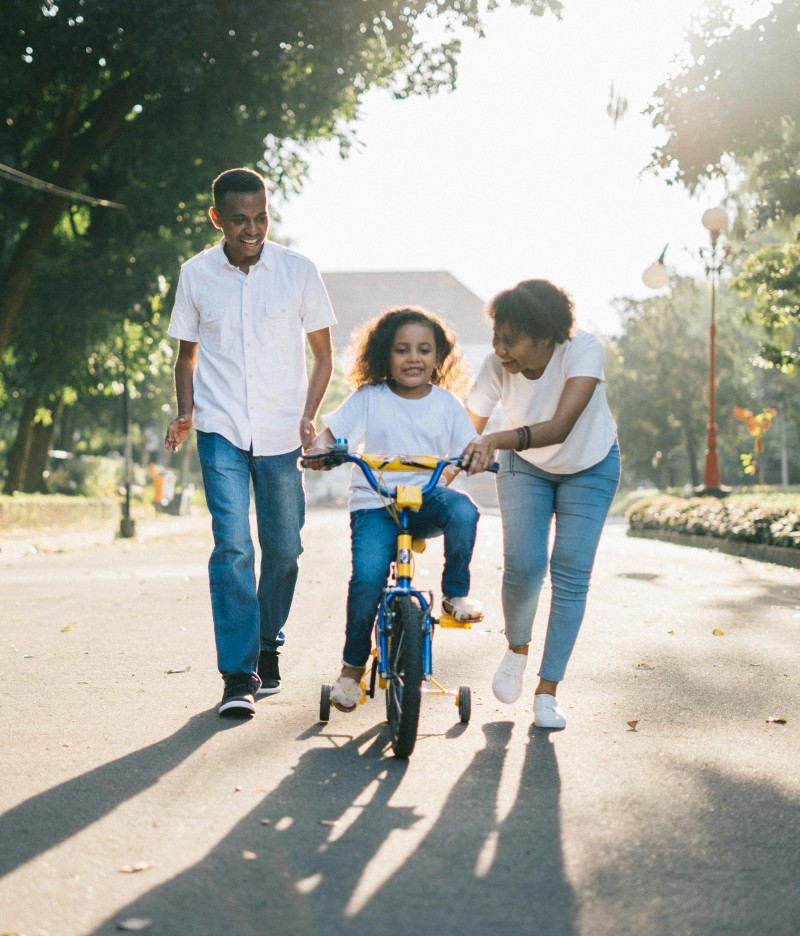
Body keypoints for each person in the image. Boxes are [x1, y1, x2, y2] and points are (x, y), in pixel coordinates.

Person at [164, 167, 336, 718]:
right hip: (220, 431)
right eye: (240, 220)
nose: (253, 229)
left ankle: (267, 643)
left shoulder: (298, 271)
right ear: (217, 219)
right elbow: (186, 355)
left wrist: (309, 416)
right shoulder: (195, 275)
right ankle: (238, 674)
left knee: (285, 549)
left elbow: (323, 355)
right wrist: (186, 412)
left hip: (283, 432)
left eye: (261, 217)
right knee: (234, 546)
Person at [305, 306, 484, 712]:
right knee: (368, 580)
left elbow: (466, 449)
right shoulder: (369, 398)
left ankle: (455, 595)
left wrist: (473, 458)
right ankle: (351, 670)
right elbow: (331, 435)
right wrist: (320, 450)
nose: (414, 358)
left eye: (424, 349)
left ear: (439, 358)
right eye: (402, 349)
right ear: (386, 355)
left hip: (424, 502)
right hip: (375, 505)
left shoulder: (447, 404)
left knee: (465, 511)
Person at [461, 279, 620, 730]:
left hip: (590, 463)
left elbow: (562, 425)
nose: (499, 349)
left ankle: (548, 691)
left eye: (511, 339)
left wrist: (494, 439)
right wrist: (440, 473)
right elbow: (463, 430)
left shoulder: (582, 351)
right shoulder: (497, 366)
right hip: (524, 466)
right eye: (496, 336)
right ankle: (516, 648)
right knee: (525, 565)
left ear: (546, 337)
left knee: (570, 571)